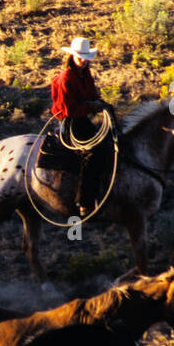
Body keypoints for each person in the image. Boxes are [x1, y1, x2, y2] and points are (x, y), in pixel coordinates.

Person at [50, 36, 112, 215]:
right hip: (71, 123)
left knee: (109, 141)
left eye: (85, 57)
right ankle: (84, 201)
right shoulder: (66, 78)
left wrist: (101, 104)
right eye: (80, 57)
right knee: (92, 152)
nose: (83, 60)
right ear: (72, 57)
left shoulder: (85, 75)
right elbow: (68, 109)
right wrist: (91, 107)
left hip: (83, 119)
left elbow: (92, 95)